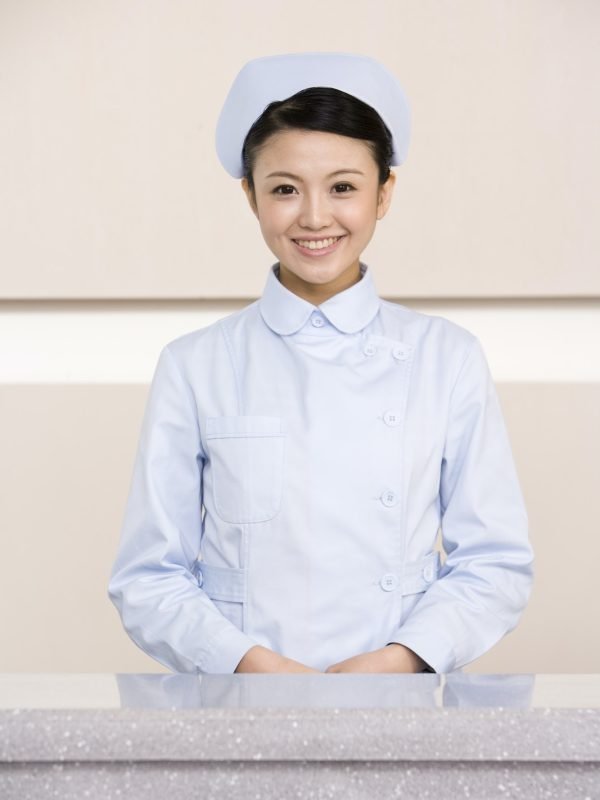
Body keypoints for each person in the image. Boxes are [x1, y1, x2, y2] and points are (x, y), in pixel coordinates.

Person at [108, 52, 534, 675]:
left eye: (343, 187)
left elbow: (496, 563)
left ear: (384, 193)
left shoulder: (446, 358)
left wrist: (404, 660)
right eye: (284, 189)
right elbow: (148, 577)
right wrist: (250, 665)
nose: (313, 217)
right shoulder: (196, 366)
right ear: (250, 196)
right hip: (243, 709)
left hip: (398, 708)